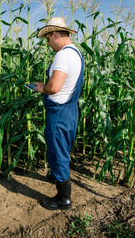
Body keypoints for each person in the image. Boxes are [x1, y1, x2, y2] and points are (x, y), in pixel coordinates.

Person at [34, 17, 85, 210]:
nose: (47, 43)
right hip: (70, 110)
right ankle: (56, 175)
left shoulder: (63, 55)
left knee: (57, 153)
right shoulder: (76, 53)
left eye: (47, 38)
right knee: (63, 148)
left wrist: (41, 88)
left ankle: (63, 199)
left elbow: (54, 87)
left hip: (59, 113)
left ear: (55, 34)